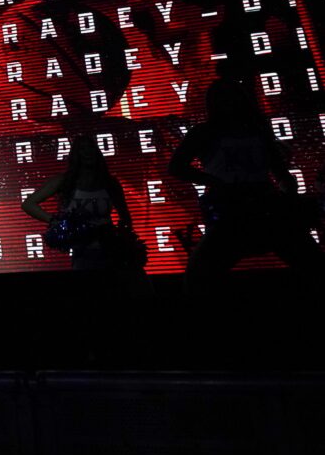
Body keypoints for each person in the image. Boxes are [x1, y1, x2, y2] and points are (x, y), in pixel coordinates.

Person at [169, 77, 325, 296]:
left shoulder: (256, 130)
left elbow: (281, 173)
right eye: (223, 97)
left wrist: (288, 198)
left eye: (232, 96)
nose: (229, 102)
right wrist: (215, 183)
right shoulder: (206, 131)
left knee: (198, 276)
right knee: (198, 277)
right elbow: (175, 167)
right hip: (233, 209)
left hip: (263, 205)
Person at [22, 135, 142, 270]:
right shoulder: (64, 181)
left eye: (91, 147)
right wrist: (55, 221)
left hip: (109, 249)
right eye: (82, 149)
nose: (87, 152)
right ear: (76, 155)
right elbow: (28, 204)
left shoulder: (110, 182)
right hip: (82, 251)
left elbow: (125, 216)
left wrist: (126, 242)